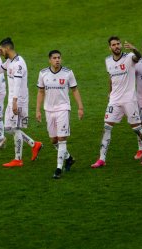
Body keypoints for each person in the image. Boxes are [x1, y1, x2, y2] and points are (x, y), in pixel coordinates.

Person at [91, 36, 142, 168]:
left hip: (129, 99)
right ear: (110, 47)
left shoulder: (129, 57)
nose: (117, 46)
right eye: (113, 45)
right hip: (114, 100)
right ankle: (102, 158)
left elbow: (139, 57)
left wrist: (135, 49)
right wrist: (109, 92)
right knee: (107, 127)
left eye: (118, 44)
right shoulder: (108, 60)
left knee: (137, 128)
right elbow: (111, 77)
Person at [0, 37, 42, 167]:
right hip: (12, 99)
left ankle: (18, 159)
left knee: (15, 127)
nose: (0, 51)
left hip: (18, 99)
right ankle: (34, 144)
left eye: (1, 49)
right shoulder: (9, 61)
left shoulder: (19, 63)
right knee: (8, 128)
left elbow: (18, 84)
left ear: (7, 48)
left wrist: (15, 102)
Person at [36, 50, 83, 179]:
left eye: (59, 58)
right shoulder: (43, 73)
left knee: (62, 139)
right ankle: (69, 158)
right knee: (54, 140)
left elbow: (74, 90)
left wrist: (80, 107)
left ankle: (58, 168)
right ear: (49, 60)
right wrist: (38, 110)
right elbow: (40, 92)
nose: (57, 60)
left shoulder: (68, 73)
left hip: (63, 108)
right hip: (48, 110)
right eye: (54, 58)